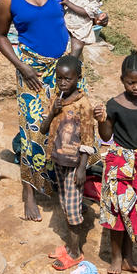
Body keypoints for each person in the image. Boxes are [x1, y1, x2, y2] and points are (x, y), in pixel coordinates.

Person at [0, 0, 71, 218]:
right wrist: (21, 66)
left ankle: (64, 184)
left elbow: (68, 18)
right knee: (33, 130)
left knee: (66, 125)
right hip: (32, 72)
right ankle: (29, 193)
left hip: (63, 70)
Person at [93, 52, 137, 273]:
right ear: (122, 80)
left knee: (132, 210)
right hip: (118, 162)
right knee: (116, 210)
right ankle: (115, 257)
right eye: (131, 82)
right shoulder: (114, 105)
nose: (136, 87)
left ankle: (129, 259)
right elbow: (105, 137)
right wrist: (101, 120)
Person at [39, 51, 96, 240]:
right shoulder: (55, 100)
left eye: (67, 79)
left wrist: (82, 169)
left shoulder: (83, 104)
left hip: (74, 164)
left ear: (78, 78)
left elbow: (88, 139)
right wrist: (52, 112)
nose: (62, 83)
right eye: (59, 78)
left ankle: (74, 251)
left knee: (71, 210)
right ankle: (73, 241)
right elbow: (43, 129)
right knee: (66, 202)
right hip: (59, 159)